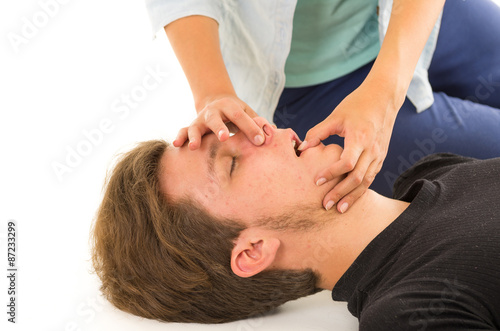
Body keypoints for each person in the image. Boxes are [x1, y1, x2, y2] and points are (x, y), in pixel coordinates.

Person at [91, 118, 500, 329]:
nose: (265, 131)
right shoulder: (409, 313)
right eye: (232, 162)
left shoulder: (433, 171)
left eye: (240, 131)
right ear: (254, 251)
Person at [144, 0, 500, 212]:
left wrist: (385, 94)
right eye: (232, 164)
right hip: (314, 86)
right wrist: (211, 92)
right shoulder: (311, 144)